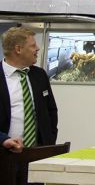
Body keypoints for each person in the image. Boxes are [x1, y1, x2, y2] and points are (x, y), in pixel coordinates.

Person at [1, 26, 58, 184]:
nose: (37, 48)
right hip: (4, 157)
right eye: (33, 45)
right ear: (18, 49)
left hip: (36, 157)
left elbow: (51, 111)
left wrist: (48, 142)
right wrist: (2, 140)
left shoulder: (39, 75)